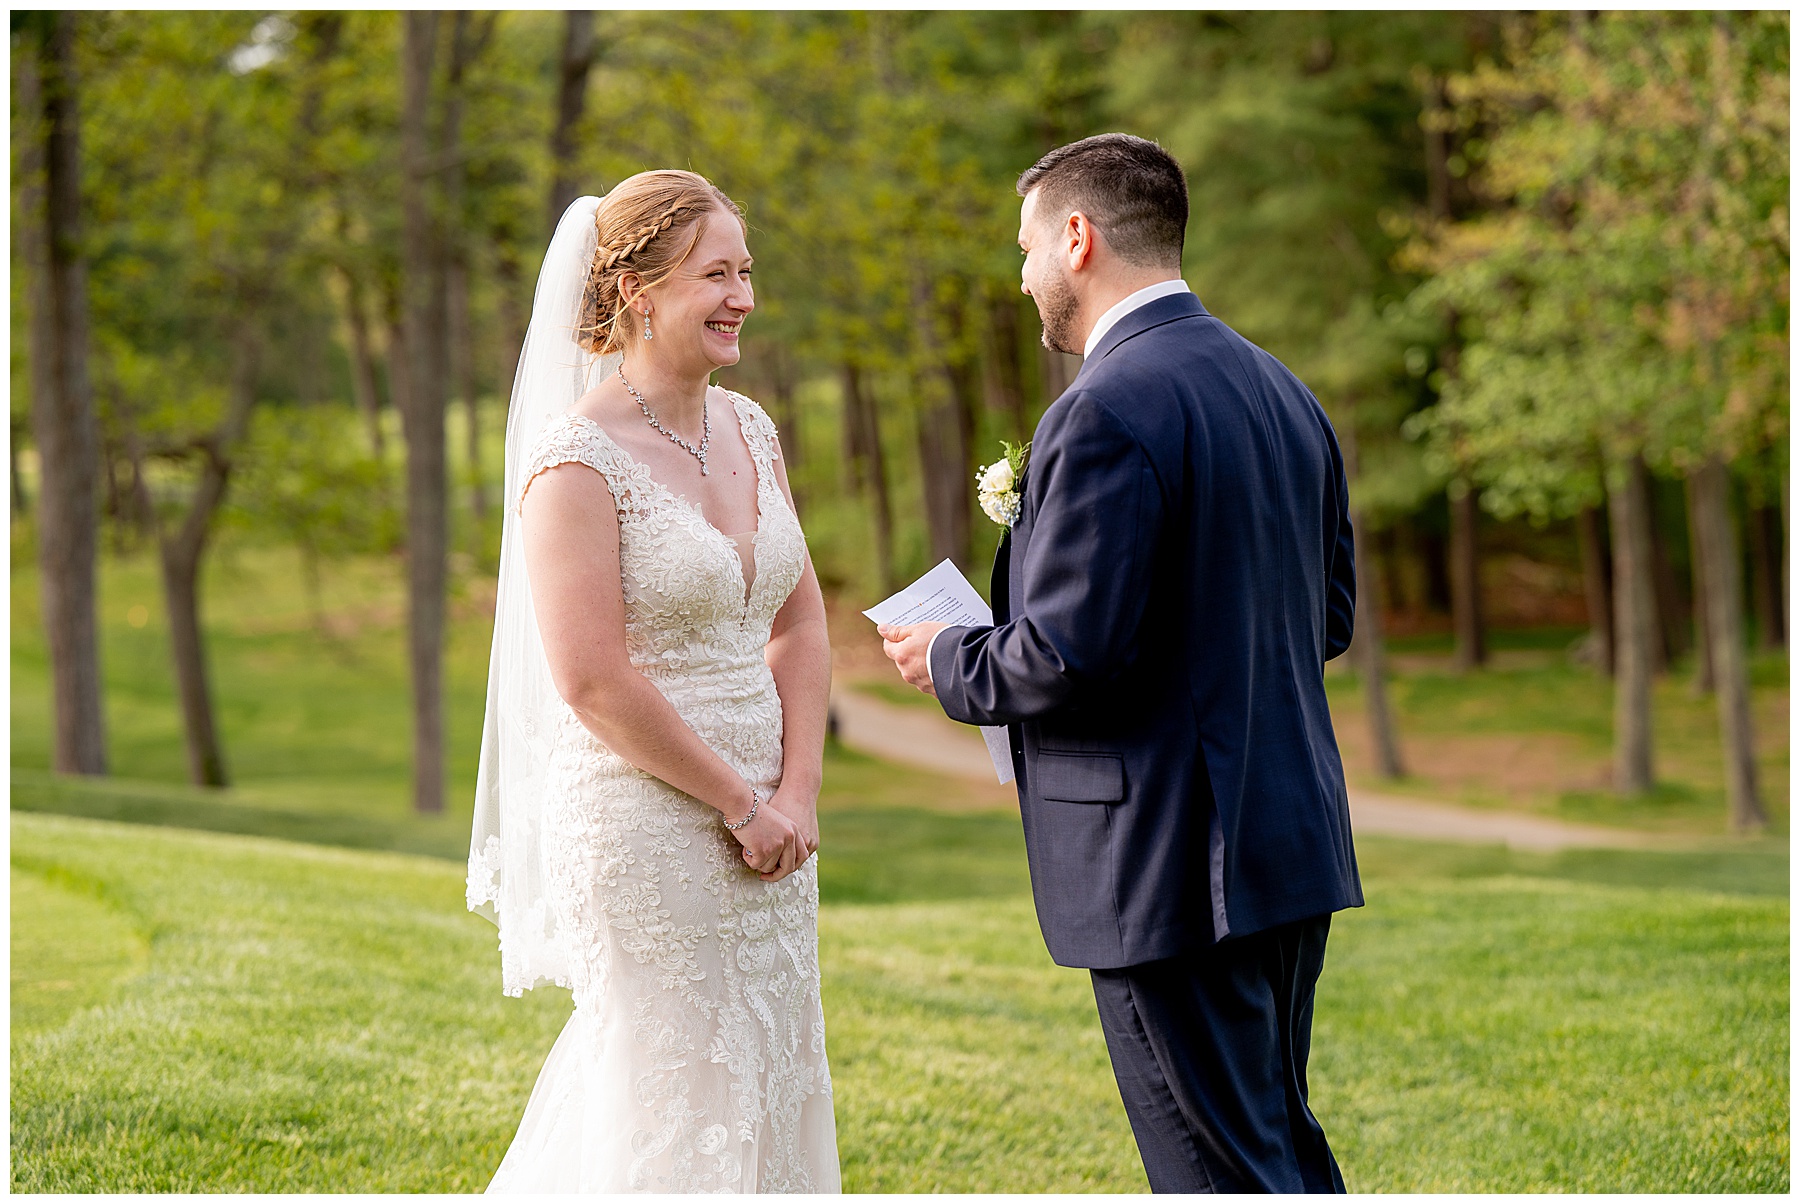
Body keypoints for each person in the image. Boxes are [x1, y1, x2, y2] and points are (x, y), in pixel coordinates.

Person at [879, 134, 1362, 1193]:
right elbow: (1326, 619)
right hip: (1285, 843)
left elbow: (1065, 654)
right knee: (1275, 1144)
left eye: (1024, 248)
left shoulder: (1101, 409)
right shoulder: (1283, 389)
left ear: (1078, 238)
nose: (1020, 277)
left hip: (1172, 866)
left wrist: (951, 654)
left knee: (1216, 1171)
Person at [467, 170, 839, 1193]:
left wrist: (794, 792)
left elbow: (802, 620)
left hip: (776, 823)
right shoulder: (576, 460)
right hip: (650, 823)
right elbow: (590, 680)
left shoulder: (752, 427)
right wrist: (736, 799)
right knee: (669, 1089)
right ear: (635, 288)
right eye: (716, 274)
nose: (744, 297)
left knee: (770, 1074)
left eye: (747, 271)